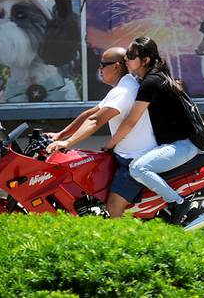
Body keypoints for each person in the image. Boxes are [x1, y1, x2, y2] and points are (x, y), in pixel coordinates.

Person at [46, 46, 156, 218]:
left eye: (103, 64)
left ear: (116, 66)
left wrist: (67, 143)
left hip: (134, 159)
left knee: (113, 206)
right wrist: (60, 135)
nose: (99, 69)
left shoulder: (123, 91)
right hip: (123, 155)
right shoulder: (122, 86)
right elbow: (90, 113)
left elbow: (96, 121)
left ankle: (122, 243)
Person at [108, 36, 202, 225]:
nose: (126, 58)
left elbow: (130, 121)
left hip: (184, 144)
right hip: (177, 143)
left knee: (138, 167)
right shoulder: (151, 78)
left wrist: (109, 144)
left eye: (131, 55)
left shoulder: (150, 83)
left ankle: (178, 203)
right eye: (126, 54)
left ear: (146, 60)